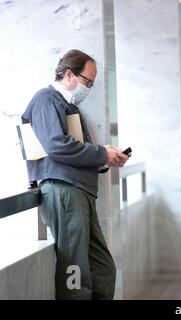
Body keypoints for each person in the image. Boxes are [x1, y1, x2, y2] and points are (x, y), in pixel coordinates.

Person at [22, 49, 130, 299]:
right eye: (88, 81)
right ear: (69, 73)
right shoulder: (46, 99)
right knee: (75, 271)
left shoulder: (66, 105)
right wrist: (101, 153)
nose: (89, 88)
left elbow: (75, 150)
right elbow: (56, 145)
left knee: (103, 269)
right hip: (64, 191)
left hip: (79, 191)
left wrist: (106, 158)